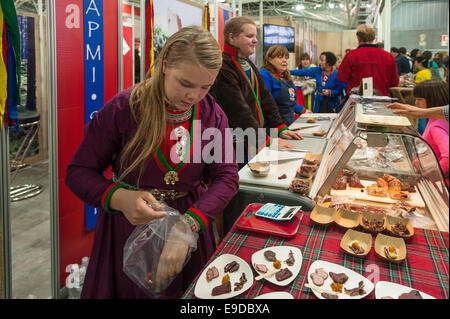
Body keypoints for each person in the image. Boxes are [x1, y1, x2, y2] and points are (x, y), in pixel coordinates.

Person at [65, 26, 240, 298]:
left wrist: (188, 226)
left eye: (205, 87)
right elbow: (79, 171)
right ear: (166, 64)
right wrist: (118, 198)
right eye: (185, 84)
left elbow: (226, 176)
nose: (193, 96)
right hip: (129, 227)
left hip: (188, 227)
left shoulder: (211, 114)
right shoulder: (125, 108)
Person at [210, 16, 302, 167]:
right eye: (249, 36)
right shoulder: (224, 66)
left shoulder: (247, 63)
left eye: (255, 36)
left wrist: (279, 127)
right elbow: (237, 110)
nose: (255, 40)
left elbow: (266, 98)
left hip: (252, 138)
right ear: (231, 37)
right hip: (235, 143)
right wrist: (265, 140)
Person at [338, 24, 399, 97]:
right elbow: (395, 82)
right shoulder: (388, 56)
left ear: (358, 38)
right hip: (382, 101)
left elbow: (341, 77)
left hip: (358, 101)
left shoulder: (351, 55)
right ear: (373, 38)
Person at [413, 80, 449, 185]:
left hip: (441, 184)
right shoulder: (438, 120)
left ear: (433, 100)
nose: (416, 103)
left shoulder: (436, 126)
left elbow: (448, 157)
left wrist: (431, 175)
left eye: (419, 99)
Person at [259, 45, 307, 126]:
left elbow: (290, 102)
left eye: (286, 57)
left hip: (289, 124)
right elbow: (266, 105)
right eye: (280, 57)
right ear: (270, 59)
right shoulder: (265, 75)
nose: (284, 60)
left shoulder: (286, 76)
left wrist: (303, 110)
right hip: (273, 127)